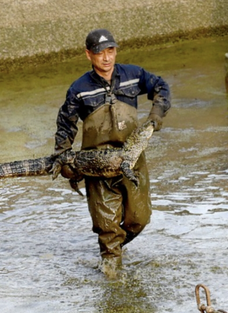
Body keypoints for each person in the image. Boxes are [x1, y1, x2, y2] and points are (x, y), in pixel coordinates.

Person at [54, 29, 171, 278]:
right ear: (89, 55)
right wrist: (63, 157)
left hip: (132, 159)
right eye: (99, 52)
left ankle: (114, 248)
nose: (106, 58)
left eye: (111, 51)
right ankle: (112, 282)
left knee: (139, 219)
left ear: (116, 51)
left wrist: (155, 117)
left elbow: (161, 87)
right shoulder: (79, 89)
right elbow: (66, 124)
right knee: (107, 227)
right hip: (97, 165)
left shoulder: (133, 75)